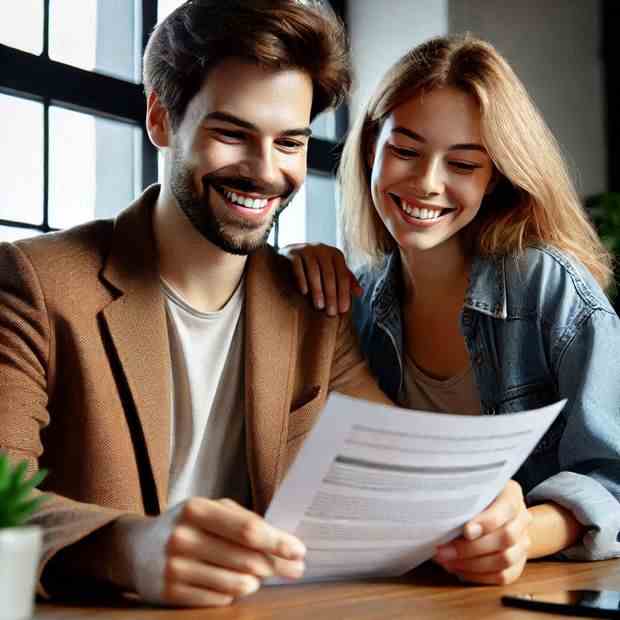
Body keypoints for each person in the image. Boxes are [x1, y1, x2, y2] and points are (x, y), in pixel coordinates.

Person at [0, 0, 394, 608]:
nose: (266, 172)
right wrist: (125, 548)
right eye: (232, 133)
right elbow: (3, 490)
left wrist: (481, 511)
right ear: (161, 118)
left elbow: (394, 470)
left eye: (289, 142)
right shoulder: (35, 282)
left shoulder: (316, 304)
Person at [284, 34, 620, 585]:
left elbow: (614, 477)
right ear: (371, 147)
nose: (427, 183)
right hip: (413, 591)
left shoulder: (548, 288)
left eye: (463, 163)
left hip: (539, 592)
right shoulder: (360, 305)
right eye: (406, 150)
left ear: (495, 179)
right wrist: (287, 268)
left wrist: (523, 535)